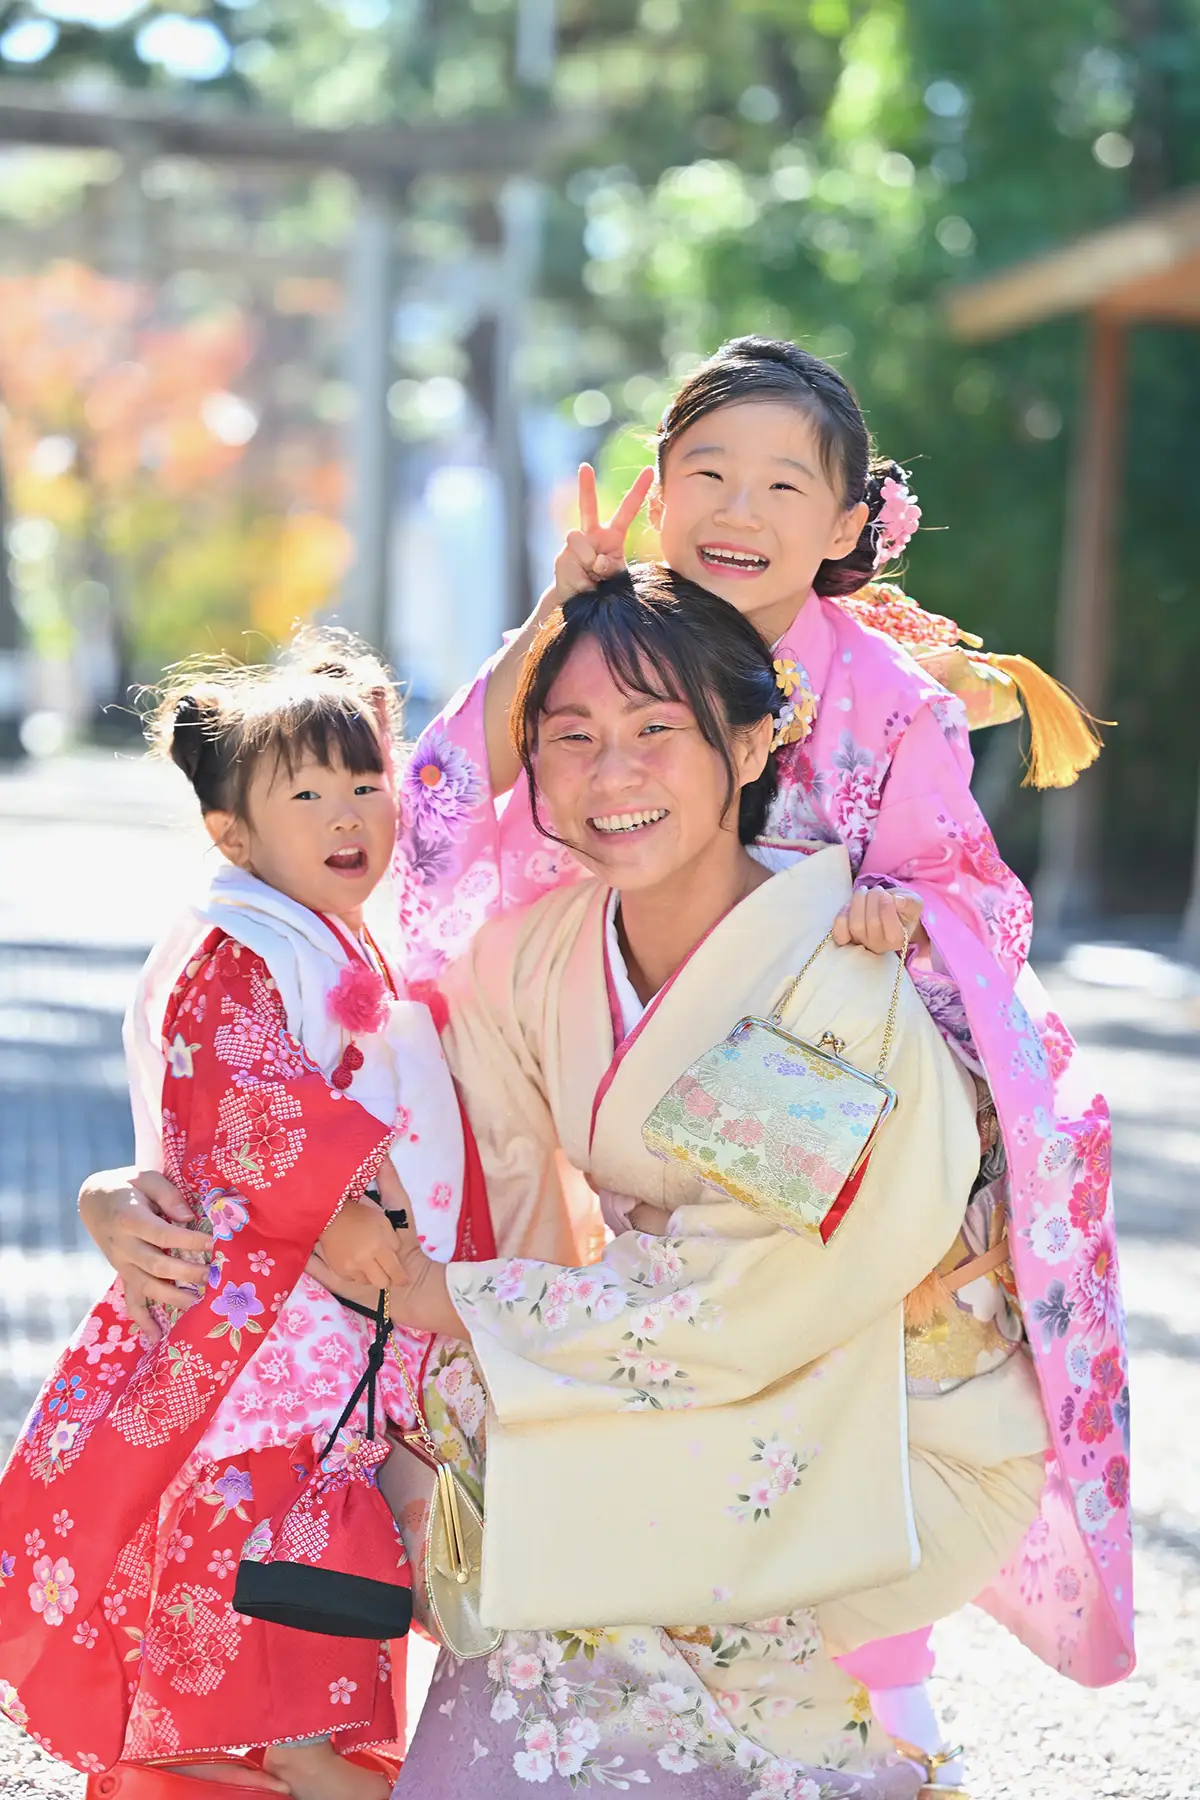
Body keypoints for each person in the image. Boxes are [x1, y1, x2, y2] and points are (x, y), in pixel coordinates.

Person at [390, 338, 1133, 1766]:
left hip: (842, 1068)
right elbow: (439, 806)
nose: (741, 505)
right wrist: (554, 617)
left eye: (786, 482)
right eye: (708, 472)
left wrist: (893, 918)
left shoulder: (891, 701)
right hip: (666, 1061)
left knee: (809, 1397)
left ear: (851, 525)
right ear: (659, 493)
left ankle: (879, 1724)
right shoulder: (605, 633)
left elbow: (976, 893)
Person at [0, 631, 492, 1800]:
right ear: (234, 835)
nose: (348, 815)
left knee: (310, 1603)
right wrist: (356, 1202)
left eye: (367, 783)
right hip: (269, 1358)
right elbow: (244, 1102)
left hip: (324, 1350)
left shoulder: (332, 935)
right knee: (278, 1644)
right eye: (308, 793)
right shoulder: (243, 947)